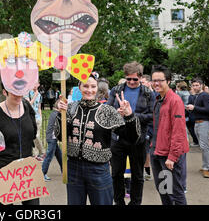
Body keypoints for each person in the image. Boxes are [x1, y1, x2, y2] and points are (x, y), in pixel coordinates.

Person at [57, 73, 141, 205]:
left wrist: (129, 115)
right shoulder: (71, 108)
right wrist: (59, 114)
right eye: (85, 86)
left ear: (97, 88)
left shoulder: (107, 111)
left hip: (98, 171)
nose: (89, 90)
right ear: (79, 87)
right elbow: (59, 135)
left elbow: (132, 138)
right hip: (74, 168)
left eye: (93, 86)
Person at [107, 61, 155, 205]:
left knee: (138, 175)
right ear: (125, 77)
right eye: (129, 79)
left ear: (140, 77)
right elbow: (107, 111)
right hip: (118, 137)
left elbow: (152, 116)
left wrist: (131, 115)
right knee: (116, 174)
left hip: (139, 139)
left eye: (135, 79)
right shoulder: (116, 90)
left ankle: (135, 203)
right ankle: (119, 202)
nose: (132, 82)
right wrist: (117, 113)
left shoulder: (148, 93)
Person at [150, 65, 189, 205]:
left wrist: (172, 157)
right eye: (154, 80)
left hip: (169, 155)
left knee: (175, 192)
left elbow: (179, 132)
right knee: (163, 190)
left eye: (160, 80)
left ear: (169, 81)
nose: (156, 83)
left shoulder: (175, 100)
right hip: (156, 151)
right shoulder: (158, 99)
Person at [186, 78, 209, 178]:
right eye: (193, 85)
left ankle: (206, 168)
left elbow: (208, 109)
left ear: (202, 85)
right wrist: (190, 108)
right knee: (205, 145)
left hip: (204, 122)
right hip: (197, 122)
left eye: (197, 85)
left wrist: (194, 108)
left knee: (203, 146)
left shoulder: (205, 95)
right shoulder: (197, 96)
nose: (195, 87)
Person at [41, 99, 63, 181]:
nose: (62, 105)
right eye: (60, 104)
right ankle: (42, 173)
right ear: (57, 105)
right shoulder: (57, 114)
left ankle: (64, 171)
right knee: (49, 156)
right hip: (52, 138)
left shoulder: (56, 113)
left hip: (52, 138)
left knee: (59, 155)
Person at [26, 81, 45, 161]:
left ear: (38, 85)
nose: (35, 85)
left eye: (36, 83)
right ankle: (39, 153)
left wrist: (40, 117)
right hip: (30, 117)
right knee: (33, 136)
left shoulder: (39, 95)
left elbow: (39, 107)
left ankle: (39, 153)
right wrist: (35, 95)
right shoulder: (27, 93)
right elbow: (28, 104)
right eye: (33, 83)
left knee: (36, 135)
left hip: (37, 117)